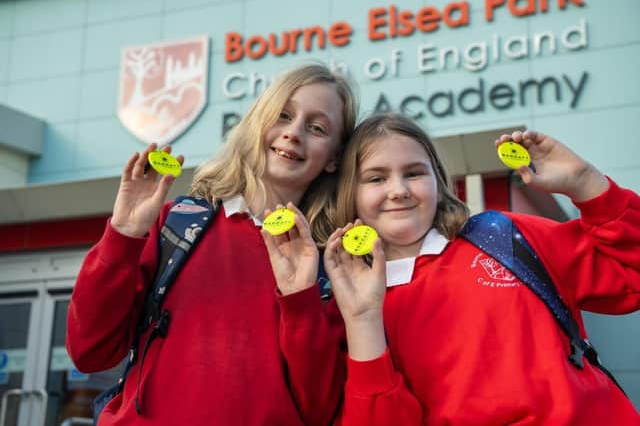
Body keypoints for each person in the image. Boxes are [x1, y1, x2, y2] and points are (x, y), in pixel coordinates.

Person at [66, 63, 358, 426]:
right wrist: (122, 235)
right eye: (282, 115)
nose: (294, 133)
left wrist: (300, 301)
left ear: (334, 157)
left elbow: (321, 408)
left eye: (317, 128)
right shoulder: (177, 223)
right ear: (257, 123)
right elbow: (89, 352)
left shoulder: (332, 265)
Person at [322, 113, 640, 425]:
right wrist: (364, 323)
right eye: (376, 178)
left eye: (414, 173)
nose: (399, 190)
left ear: (438, 180)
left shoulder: (504, 235)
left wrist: (585, 182)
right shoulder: (351, 302)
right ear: (350, 192)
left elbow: (630, 275)